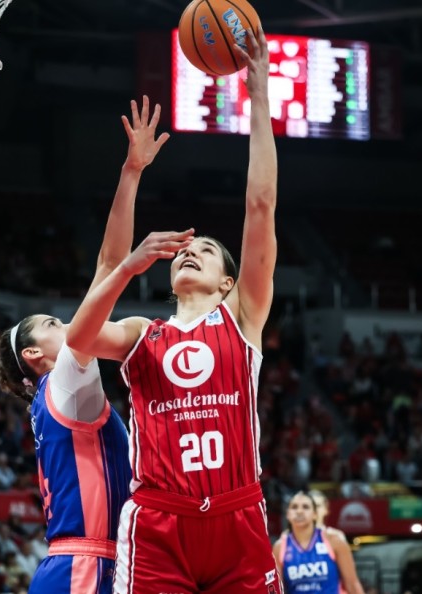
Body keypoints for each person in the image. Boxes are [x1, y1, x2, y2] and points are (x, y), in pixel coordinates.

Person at [65, 27, 280, 594]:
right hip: (159, 522)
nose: (191, 251)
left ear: (228, 280)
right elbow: (81, 338)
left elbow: (260, 205)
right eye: (185, 248)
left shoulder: (243, 315)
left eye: (205, 250)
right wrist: (131, 179)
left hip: (238, 515)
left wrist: (258, 96)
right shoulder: (142, 333)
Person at [0, 95, 169, 594]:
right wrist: (131, 268)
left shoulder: (60, 392)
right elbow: (110, 274)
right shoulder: (64, 384)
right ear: (34, 354)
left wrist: (131, 173)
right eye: (52, 321)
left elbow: (103, 270)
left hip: (89, 564)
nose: (67, 320)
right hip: (83, 568)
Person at [274, 492, 364, 594]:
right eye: (294, 507)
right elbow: (277, 589)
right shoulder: (280, 546)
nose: (299, 511)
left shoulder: (334, 540)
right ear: (288, 514)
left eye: (305, 507)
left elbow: (352, 584)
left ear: (315, 514)